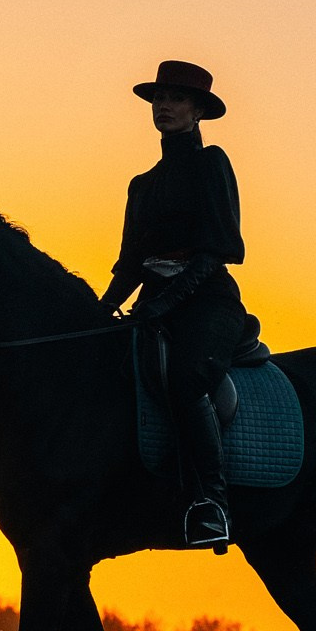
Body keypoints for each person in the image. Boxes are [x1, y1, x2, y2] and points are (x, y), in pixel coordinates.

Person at [99, 60, 248, 547]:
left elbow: (221, 248)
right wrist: (99, 314)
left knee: (184, 379)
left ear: (198, 111)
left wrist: (169, 302)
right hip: (153, 301)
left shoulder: (212, 164)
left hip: (209, 301)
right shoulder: (141, 186)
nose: (165, 105)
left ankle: (213, 503)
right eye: (159, 97)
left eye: (177, 98)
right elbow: (130, 264)